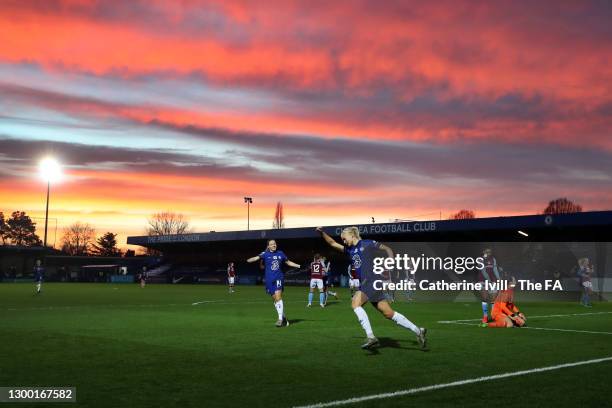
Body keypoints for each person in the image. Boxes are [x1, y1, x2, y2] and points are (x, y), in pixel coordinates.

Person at [317, 226, 427, 349]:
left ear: (352, 235)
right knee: (389, 313)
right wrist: (322, 233)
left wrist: (391, 261)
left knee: (355, 304)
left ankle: (371, 337)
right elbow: (332, 243)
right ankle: (418, 331)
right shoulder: (349, 250)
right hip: (371, 283)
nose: (343, 241)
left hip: (370, 281)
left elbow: (387, 249)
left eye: (344, 238)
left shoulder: (367, 243)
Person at [247, 239, 301, 327]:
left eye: (275, 243)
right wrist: (249, 260)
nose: (274, 245)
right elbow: (256, 258)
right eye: (272, 244)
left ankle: (279, 319)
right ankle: (284, 318)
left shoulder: (281, 253)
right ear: (268, 246)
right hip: (269, 280)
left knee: (278, 297)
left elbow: (288, 262)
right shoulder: (265, 254)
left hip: (278, 278)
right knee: (275, 299)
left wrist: (298, 265)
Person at [477, 248, 501, 323]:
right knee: (485, 298)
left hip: (492, 280)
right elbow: (483, 270)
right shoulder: (480, 259)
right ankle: (485, 316)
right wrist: (489, 280)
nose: (489, 253)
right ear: (483, 252)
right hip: (482, 280)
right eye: (487, 251)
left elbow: (495, 269)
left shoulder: (493, 259)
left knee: (493, 298)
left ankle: (493, 316)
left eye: (490, 251)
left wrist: (498, 278)